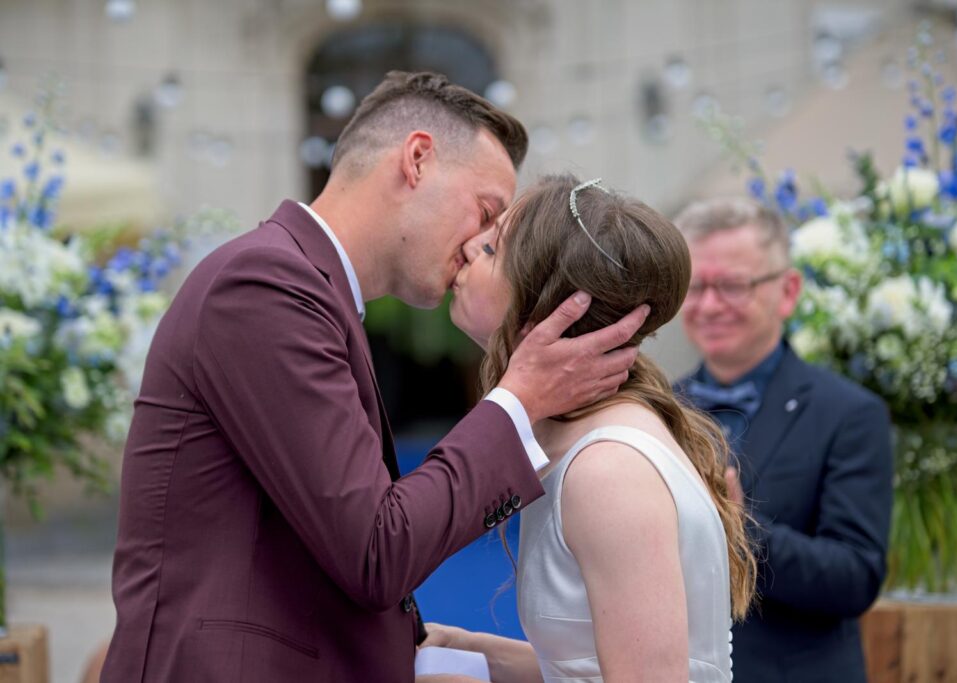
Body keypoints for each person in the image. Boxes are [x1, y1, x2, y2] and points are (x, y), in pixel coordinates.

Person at [101, 73, 649, 683]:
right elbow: (376, 550)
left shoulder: (307, 289)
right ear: (417, 160)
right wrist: (519, 401)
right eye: (486, 212)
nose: (476, 248)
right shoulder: (263, 286)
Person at [423, 175, 757, 683]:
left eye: (491, 249)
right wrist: (463, 649)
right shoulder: (573, 438)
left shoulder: (607, 470)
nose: (468, 247)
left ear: (545, 306)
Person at [672, 197, 893, 683]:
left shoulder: (850, 413)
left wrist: (741, 529)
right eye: (696, 287)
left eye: (731, 285)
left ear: (787, 291)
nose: (709, 305)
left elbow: (856, 578)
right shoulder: (657, 409)